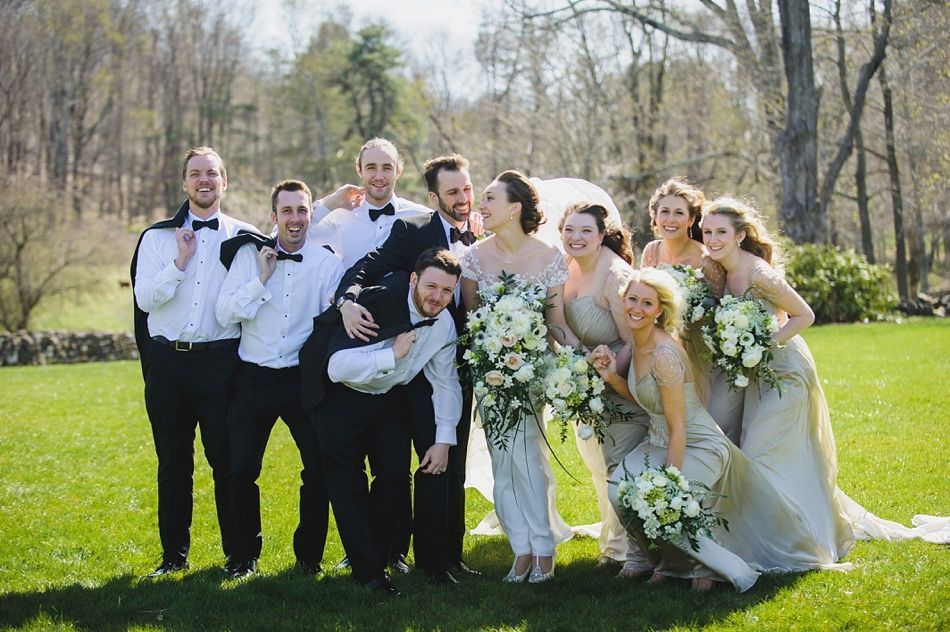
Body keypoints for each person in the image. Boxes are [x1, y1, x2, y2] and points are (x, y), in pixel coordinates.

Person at [594, 269, 843, 590]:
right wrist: (613, 377)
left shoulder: (664, 356)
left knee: (662, 499)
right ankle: (668, 562)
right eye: (632, 300)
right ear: (622, 299)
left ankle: (708, 568)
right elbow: (649, 402)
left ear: (659, 310)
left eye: (647, 303)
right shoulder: (635, 341)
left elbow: (678, 426)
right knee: (619, 489)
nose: (637, 308)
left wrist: (671, 481)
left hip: (696, 446)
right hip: (658, 440)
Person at [334, 153, 480, 577]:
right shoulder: (411, 228)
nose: (463, 198)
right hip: (415, 365)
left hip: (461, 361)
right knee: (415, 463)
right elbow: (367, 267)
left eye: (467, 188)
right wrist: (347, 300)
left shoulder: (480, 233)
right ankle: (399, 551)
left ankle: (449, 555)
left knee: (451, 457)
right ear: (434, 197)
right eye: (453, 191)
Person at [131, 146, 255, 577]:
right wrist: (179, 263)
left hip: (221, 364)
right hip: (168, 365)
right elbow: (145, 299)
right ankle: (173, 557)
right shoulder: (156, 238)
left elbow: (297, 229)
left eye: (212, 174)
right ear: (184, 183)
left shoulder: (245, 236)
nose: (204, 181)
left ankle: (239, 556)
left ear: (225, 182)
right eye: (195, 174)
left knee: (229, 463)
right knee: (173, 464)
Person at [214, 180, 344, 579]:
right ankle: (242, 556)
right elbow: (224, 314)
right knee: (240, 470)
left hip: (302, 381)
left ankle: (308, 557)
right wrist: (261, 279)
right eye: (286, 211)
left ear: (310, 215)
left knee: (318, 468)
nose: (295, 219)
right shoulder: (248, 257)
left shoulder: (326, 263)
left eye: (301, 210)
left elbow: (330, 321)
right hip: (252, 379)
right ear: (273, 217)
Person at [317, 248, 463, 595]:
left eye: (446, 291)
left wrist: (443, 440)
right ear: (413, 279)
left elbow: (446, 383)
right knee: (348, 485)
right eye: (431, 287)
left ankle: (379, 556)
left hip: (386, 399)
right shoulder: (379, 301)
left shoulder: (443, 322)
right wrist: (392, 354)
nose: (437, 297)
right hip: (339, 399)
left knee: (395, 477)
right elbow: (336, 368)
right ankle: (369, 574)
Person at [459, 170, 577, 583]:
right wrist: (489, 357)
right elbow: (472, 321)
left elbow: (556, 321)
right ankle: (520, 548)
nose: (482, 206)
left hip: (531, 374)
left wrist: (581, 359)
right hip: (489, 376)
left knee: (528, 458)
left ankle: (544, 547)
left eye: (490, 199)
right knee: (502, 463)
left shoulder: (548, 258)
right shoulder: (473, 258)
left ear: (515, 208)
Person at [558, 202, 652, 575]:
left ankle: (638, 556)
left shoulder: (616, 275)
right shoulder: (567, 268)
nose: (575, 238)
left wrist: (608, 378)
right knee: (605, 465)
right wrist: (580, 365)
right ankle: (623, 545)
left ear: (601, 236)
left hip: (624, 387)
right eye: (569, 231)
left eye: (584, 231)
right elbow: (562, 326)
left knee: (621, 467)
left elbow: (635, 339)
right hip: (591, 382)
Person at [639, 178, 733, 438]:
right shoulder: (651, 252)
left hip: (697, 351)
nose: (671, 219)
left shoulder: (706, 260)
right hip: (658, 347)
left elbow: (719, 310)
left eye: (679, 213)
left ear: (691, 220)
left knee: (696, 421)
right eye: (665, 212)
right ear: (655, 217)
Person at [309, 138, 431, 268]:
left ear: (398, 171)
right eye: (371, 167)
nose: (379, 176)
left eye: (387, 168)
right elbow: (295, 235)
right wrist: (331, 201)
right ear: (359, 170)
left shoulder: (421, 217)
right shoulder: (339, 215)